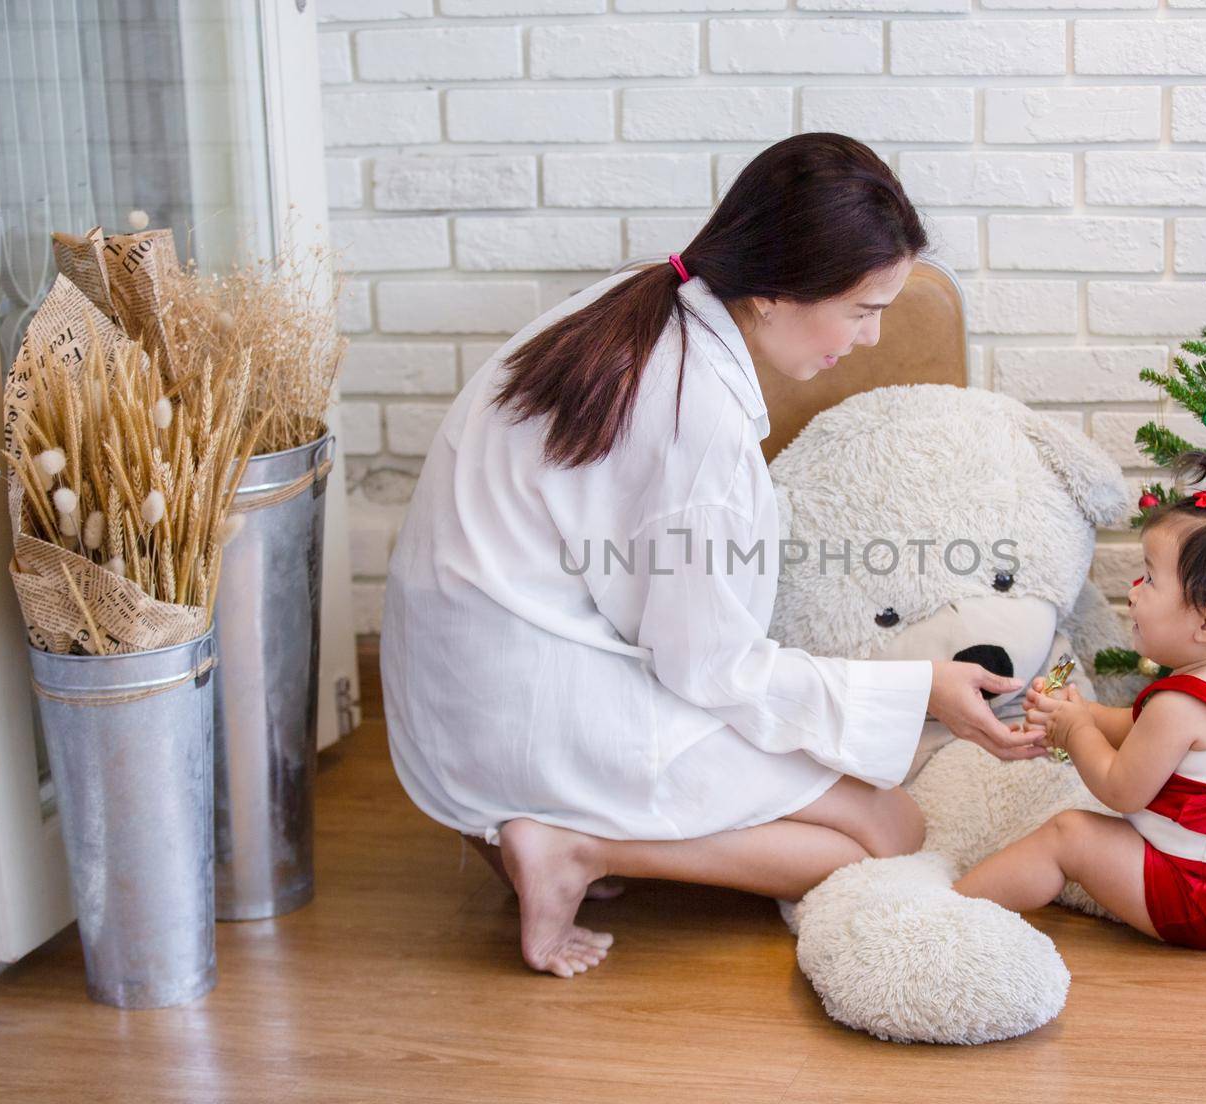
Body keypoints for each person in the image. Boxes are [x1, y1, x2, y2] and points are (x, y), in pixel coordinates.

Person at [381, 133, 1048, 978]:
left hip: (478, 668)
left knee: (852, 790)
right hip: (523, 701)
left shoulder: (640, 303)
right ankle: (573, 845)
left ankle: (563, 831)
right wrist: (915, 689)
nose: (873, 338)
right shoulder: (696, 420)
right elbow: (709, 666)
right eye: (862, 308)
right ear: (775, 291)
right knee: (889, 834)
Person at [955, 452, 1206, 950]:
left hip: (1203, 901)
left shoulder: (1180, 706)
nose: (1133, 591)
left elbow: (1122, 790)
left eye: (1149, 579)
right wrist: (1083, 714)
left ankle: (952, 908)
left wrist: (1076, 731)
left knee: (1070, 834)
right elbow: (1144, 731)